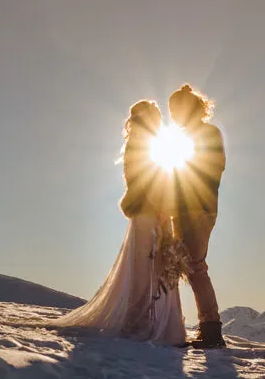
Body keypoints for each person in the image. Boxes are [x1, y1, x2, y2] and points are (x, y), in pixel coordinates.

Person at [48, 100, 187, 345]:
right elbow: (145, 181)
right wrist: (161, 209)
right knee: (145, 269)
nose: (158, 119)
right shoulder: (141, 145)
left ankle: (159, 325)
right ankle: (141, 323)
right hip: (149, 214)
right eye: (154, 116)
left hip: (156, 213)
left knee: (158, 268)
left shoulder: (147, 144)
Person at [169, 84, 227, 349]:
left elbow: (211, 170)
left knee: (195, 266)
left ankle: (212, 330)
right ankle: (202, 326)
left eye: (175, 110)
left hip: (198, 209)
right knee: (185, 266)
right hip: (185, 209)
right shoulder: (187, 137)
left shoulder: (207, 134)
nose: (173, 116)